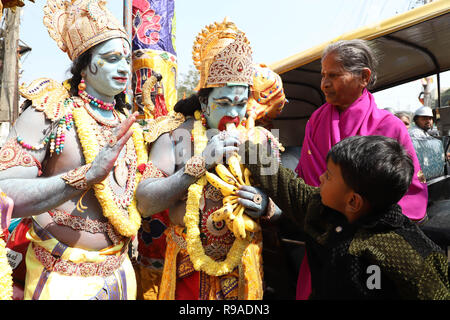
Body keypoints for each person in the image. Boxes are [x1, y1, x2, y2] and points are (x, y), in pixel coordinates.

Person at [0, 0, 147, 299]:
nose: (123, 67)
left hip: (120, 274)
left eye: (126, 58)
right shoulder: (51, 110)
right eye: (111, 58)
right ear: (85, 62)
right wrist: (86, 176)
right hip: (60, 278)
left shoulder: (128, 124)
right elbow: (4, 193)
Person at [135, 19, 285, 300]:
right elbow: (145, 202)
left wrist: (264, 205)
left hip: (244, 270)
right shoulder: (177, 135)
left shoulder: (260, 139)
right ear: (203, 102)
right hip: (187, 271)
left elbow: (282, 209)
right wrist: (199, 164)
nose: (235, 113)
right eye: (224, 103)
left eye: (240, 103)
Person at [293, 39, 428, 300]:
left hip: (370, 244)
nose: (324, 84)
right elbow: (306, 177)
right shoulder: (316, 121)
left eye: (333, 75)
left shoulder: (390, 126)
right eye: (322, 76)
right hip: (322, 235)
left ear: (363, 77)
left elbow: (409, 190)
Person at [244, 135, 449, 299]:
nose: (321, 177)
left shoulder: (401, 254)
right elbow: (286, 185)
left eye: (329, 175)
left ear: (353, 201)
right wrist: (246, 149)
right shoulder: (328, 210)